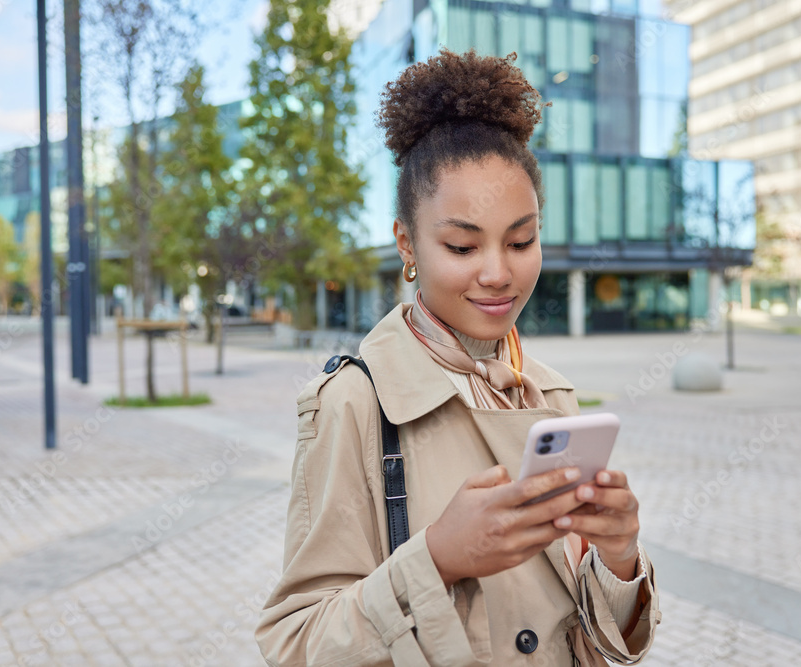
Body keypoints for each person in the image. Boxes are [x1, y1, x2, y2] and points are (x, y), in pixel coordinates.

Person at [256, 49, 660, 666]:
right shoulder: (357, 402)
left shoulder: (550, 396)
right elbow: (295, 643)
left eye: (522, 240)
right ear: (406, 243)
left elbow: (593, 634)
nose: (498, 273)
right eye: (462, 245)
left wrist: (620, 557)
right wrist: (438, 559)